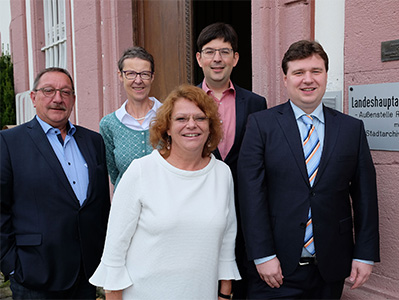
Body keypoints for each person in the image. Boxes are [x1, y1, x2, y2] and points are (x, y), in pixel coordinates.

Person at [238, 40, 380, 299]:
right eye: (299, 72)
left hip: (331, 269)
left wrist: (365, 253)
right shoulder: (261, 125)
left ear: (326, 75)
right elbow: (250, 196)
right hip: (275, 269)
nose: (308, 80)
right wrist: (262, 255)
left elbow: (365, 197)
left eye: (316, 71)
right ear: (285, 79)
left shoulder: (351, 129)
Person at [89, 84, 241, 300]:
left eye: (200, 118)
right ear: (167, 127)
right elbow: (115, 251)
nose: (191, 125)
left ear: (210, 126)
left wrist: (224, 295)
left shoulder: (221, 173)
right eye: (181, 119)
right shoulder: (141, 171)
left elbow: (227, 241)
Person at [0, 67, 111, 299]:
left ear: (73, 99)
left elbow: (100, 206)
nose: (58, 99)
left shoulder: (93, 141)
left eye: (65, 92)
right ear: (33, 97)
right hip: (35, 274)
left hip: (86, 273)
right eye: (49, 90)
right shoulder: (8, 143)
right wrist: (11, 265)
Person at [196, 22, 267, 299]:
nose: (217, 59)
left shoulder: (256, 103)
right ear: (199, 58)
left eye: (224, 52)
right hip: (200, 208)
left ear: (235, 58)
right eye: (210, 52)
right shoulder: (183, 102)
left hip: (245, 209)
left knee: (243, 278)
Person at [100, 46, 162, 187]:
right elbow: (114, 174)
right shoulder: (109, 125)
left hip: (166, 204)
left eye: (144, 74)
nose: (138, 80)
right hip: (127, 206)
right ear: (120, 76)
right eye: (131, 74)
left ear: (152, 77)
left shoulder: (170, 116)